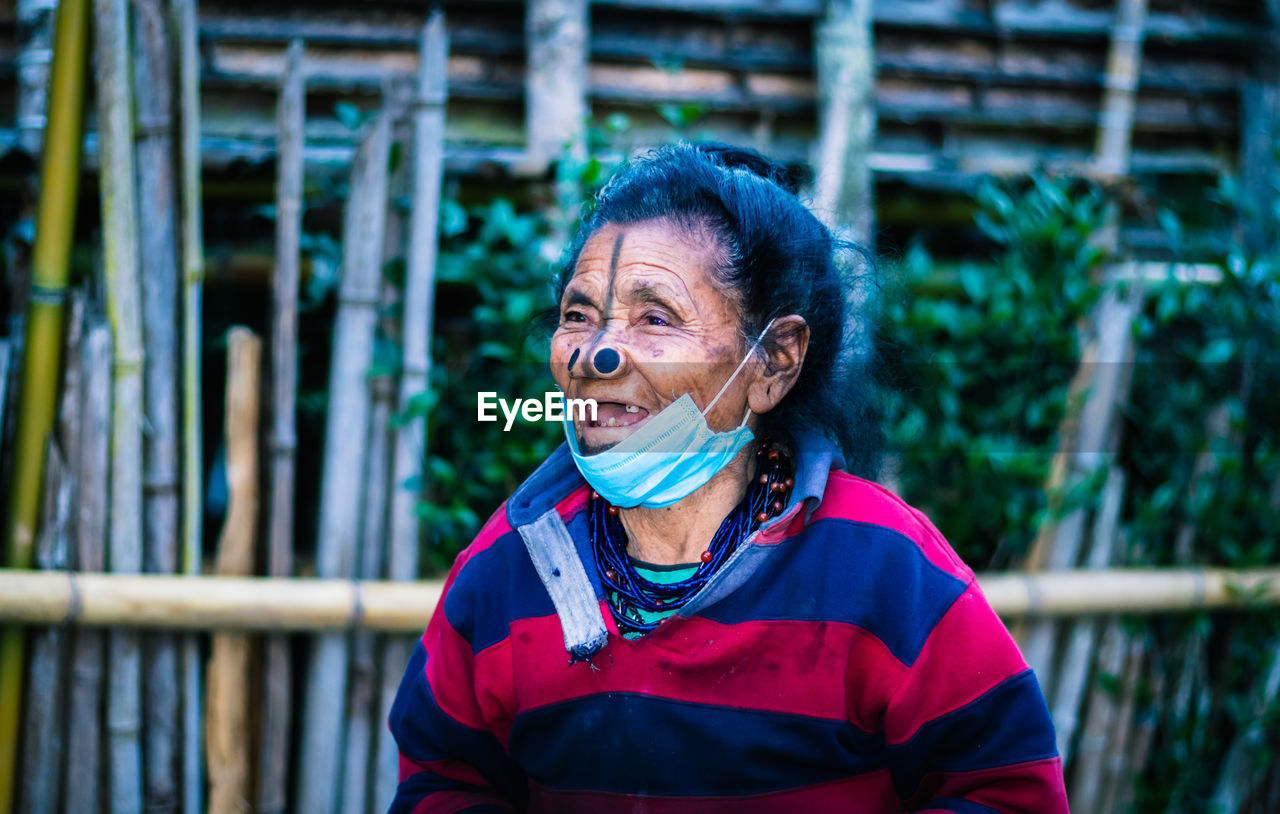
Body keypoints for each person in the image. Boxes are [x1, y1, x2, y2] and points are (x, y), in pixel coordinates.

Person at [388, 142, 1069, 813]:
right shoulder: (510, 563)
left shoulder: (883, 565)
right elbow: (442, 781)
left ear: (773, 361)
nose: (595, 356)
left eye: (656, 317)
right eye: (578, 315)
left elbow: (1008, 791)